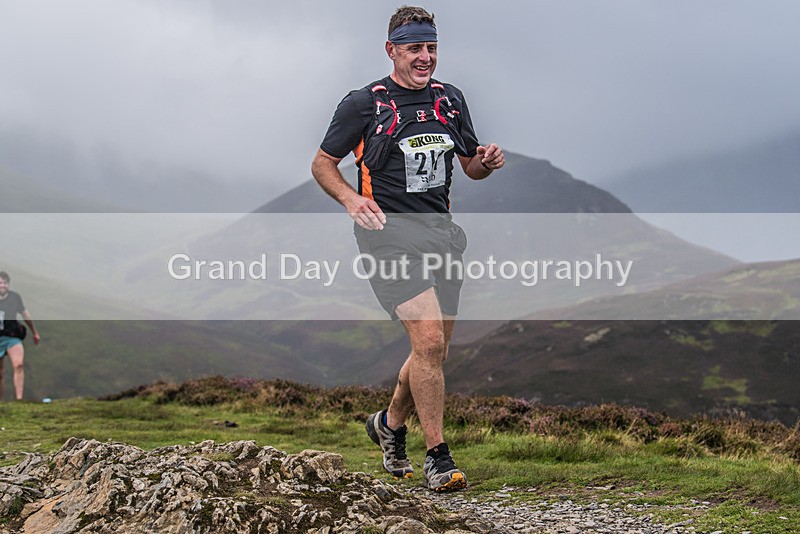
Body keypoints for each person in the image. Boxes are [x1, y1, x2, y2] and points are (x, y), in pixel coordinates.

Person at [311, 6, 504, 492]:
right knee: (430, 343)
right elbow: (322, 164)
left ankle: (389, 425)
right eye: (415, 48)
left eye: (431, 48)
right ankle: (438, 457)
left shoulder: (450, 99)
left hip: (440, 233)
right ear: (392, 50)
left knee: (432, 351)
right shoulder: (364, 103)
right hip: (387, 235)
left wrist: (486, 161)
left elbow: (469, 166)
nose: (425, 58)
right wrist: (352, 199)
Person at [0, 271, 40, 400]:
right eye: (0, 283)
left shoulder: (15, 297)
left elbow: (25, 314)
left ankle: (19, 398)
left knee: (18, 364)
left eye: (5, 283)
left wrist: (35, 332)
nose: (2, 285)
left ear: (8, 285)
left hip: (12, 336)